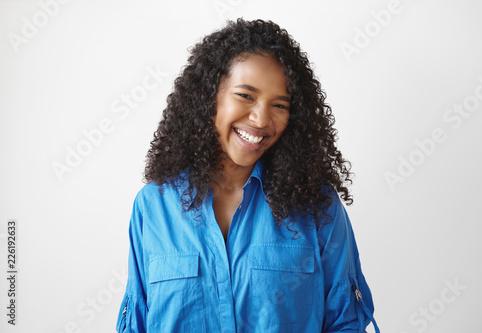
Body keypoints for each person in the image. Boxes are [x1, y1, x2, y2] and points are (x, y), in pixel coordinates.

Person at [116, 18, 379, 333]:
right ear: (210, 95)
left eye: (279, 105)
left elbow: (344, 324)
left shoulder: (317, 206)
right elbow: (138, 325)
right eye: (245, 95)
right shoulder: (153, 206)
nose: (260, 119)